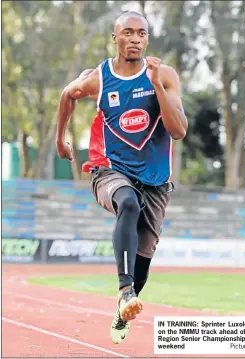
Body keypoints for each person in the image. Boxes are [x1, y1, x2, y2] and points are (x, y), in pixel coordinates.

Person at [56, 10, 188, 344]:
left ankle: (124, 306)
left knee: (143, 258)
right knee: (127, 203)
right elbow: (66, 95)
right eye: (127, 33)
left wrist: (156, 85)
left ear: (147, 38)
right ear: (115, 38)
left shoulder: (165, 75)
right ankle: (125, 290)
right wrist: (61, 139)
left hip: (156, 179)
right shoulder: (98, 78)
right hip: (109, 169)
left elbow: (179, 131)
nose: (135, 39)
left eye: (141, 34)